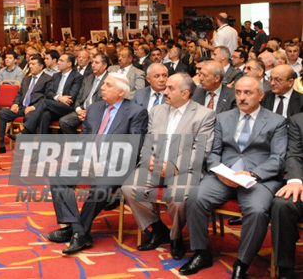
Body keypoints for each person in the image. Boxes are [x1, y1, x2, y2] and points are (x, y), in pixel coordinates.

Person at [180, 76, 288, 278]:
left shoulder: (277, 122)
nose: (242, 97)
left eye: (248, 93)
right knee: (194, 197)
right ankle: (202, 252)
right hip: (225, 175)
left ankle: (242, 262)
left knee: (257, 210)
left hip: (257, 178)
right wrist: (220, 172)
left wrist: (253, 173)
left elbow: (278, 159)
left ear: (261, 95)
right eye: (238, 92)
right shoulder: (223, 117)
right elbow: (213, 153)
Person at [46, 73, 148, 254]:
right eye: (104, 84)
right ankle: (79, 230)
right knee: (58, 177)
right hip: (89, 161)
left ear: (120, 92)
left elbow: (133, 148)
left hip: (116, 166)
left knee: (100, 188)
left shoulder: (135, 112)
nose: (102, 87)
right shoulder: (95, 108)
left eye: (108, 85)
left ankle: (75, 231)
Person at [122, 73, 215, 260]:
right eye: (166, 87)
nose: (165, 91)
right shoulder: (157, 111)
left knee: (178, 197)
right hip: (153, 165)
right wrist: (147, 158)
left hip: (184, 168)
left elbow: (201, 149)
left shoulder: (204, 115)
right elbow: (147, 140)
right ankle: (158, 229)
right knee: (129, 187)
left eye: (171, 88)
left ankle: (176, 237)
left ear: (186, 93)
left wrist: (174, 166)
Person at [271, 112, 303, 279]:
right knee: (282, 204)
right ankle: (285, 270)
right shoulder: (298, 120)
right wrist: (296, 180)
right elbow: (294, 154)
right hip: (302, 184)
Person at [0, 55, 52, 152]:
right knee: (1, 114)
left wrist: (34, 107)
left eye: (33, 64)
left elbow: (47, 97)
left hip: (35, 108)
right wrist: (15, 104)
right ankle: (0, 144)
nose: (30, 66)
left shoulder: (48, 79)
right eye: (30, 64)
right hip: (21, 107)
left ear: (41, 66)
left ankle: (28, 147)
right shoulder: (26, 79)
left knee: (29, 116)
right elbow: (19, 94)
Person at [21, 53, 83, 136]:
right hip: (54, 105)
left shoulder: (77, 77)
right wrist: (58, 97)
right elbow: (48, 92)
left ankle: (26, 131)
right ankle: (42, 144)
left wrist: (57, 98)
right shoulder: (56, 75)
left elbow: (71, 97)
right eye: (58, 60)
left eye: (61, 61)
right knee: (45, 114)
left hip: (68, 107)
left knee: (44, 102)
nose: (58, 63)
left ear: (69, 64)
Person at [58, 53, 107, 135]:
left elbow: (106, 101)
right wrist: (79, 110)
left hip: (98, 112)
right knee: (64, 121)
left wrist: (89, 112)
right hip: (82, 110)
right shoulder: (88, 78)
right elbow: (79, 97)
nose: (93, 65)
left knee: (89, 123)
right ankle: (76, 145)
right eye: (92, 62)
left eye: (97, 63)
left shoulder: (109, 79)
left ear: (105, 65)